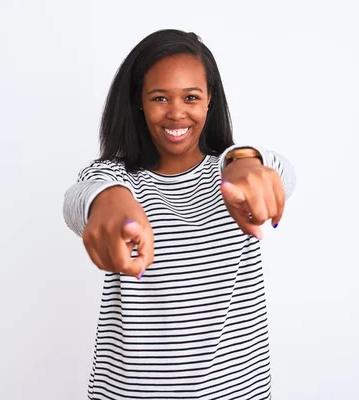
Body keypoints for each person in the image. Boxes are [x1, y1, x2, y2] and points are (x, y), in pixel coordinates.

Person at [63, 29, 296, 400]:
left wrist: (243, 161)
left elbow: (278, 171)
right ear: (139, 101)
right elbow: (79, 199)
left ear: (209, 102)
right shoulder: (114, 177)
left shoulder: (230, 171)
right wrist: (108, 200)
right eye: (159, 98)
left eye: (191, 97)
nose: (176, 112)